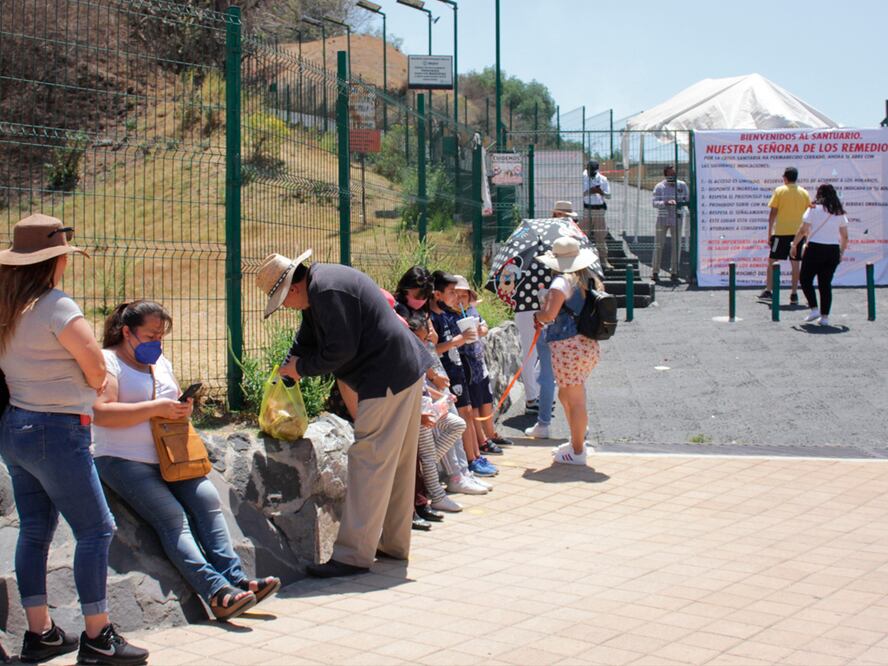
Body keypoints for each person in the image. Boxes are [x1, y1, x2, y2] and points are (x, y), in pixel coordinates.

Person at [0, 214, 148, 665]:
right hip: (58, 430)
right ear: (54, 260)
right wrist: (92, 382)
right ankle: (98, 635)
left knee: (35, 530)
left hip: (16, 426)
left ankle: (40, 633)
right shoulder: (57, 306)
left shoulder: (7, 307)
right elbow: (97, 367)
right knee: (96, 528)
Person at [92, 300, 280, 621]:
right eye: (151, 335)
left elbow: (172, 399)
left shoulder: (160, 361)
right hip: (122, 459)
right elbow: (102, 412)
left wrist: (182, 408)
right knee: (172, 517)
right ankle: (216, 592)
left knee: (207, 499)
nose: (157, 342)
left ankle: (235, 580)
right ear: (126, 332)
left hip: (172, 457)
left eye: (161, 336)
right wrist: (156, 409)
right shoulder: (109, 362)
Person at [257, 252, 431, 577]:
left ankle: (353, 556)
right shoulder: (321, 285)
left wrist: (302, 368)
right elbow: (308, 338)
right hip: (403, 370)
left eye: (282, 301)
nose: (286, 307)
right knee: (398, 463)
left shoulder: (326, 291)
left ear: (293, 288)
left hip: (387, 377)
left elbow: (340, 350)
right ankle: (393, 544)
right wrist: (292, 361)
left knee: (369, 461)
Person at [533, 237, 603, 466]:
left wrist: (539, 313)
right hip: (587, 344)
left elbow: (549, 316)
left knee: (574, 399)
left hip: (567, 347)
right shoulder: (588, 279)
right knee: (566, 395)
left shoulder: (560, 283)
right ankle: (576, 439)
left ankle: (577, 450)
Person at [429, 271, 497, 478]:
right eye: (451, 292)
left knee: (467, 412)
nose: (455, 298)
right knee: (461, 416)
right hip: (445, 374)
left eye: (459, 293)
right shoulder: (434, 318)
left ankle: (475, 457)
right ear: (437, 294)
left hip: (459, 370)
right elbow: (432, 350)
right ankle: (466, 464)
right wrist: (459, 340)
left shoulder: (447, 316)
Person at [453, 275, 512, 452]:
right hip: (466, 363)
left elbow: (484, 329)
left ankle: (491, 433)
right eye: (455, 295)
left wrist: (481, 330)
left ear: (470, 298)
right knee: (475, 403)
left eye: (463, 296)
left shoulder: (472, 311)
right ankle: (482, 440)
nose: (459, 300)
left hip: (479, 362)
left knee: (486, 398)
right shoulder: (450, 316)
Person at [790, 184, 849, 326]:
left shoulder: (813, 208)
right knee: (825, 284)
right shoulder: (839, 212)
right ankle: (825, 317)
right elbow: (845, 237)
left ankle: (814, 308)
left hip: (815, 248)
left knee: (805, 279)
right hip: (832, 250)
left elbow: (803, 229)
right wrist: (841, 252)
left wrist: (794, 244)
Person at [760, 166, 811, 302]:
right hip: (798, 234)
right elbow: (808, 215)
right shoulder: (804, 192)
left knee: (772, 261)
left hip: (781, 232)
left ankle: (769, 290)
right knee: (796, 263)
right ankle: (794, 293)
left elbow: (773, 213)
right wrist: (807, 234)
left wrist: (769, 232)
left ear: (785, 178)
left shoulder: (779, 191)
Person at [651, 166, 690, 282]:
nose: (672, 177)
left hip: (677, 218)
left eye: (674, 174)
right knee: (658, 245)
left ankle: (674, 271)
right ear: (665, 175)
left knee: (676, 246)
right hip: (662, 218)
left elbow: (687, 200)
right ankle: (655, 271)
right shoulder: (660, 186)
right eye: (670, 175)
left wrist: (680, 203)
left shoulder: (682, 185)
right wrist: (665, 202)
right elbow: (654, 203)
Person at [583, 161, 612, 271]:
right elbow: (578, 193)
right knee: (583, 236)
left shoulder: (603, 179)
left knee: (600, 237)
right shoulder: (582, 177)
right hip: (585, 209)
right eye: (590, 171)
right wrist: (590, 191)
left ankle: (604, 261)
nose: (592, 173)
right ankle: (583, 261)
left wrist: (601, 192)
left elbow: (609, 195)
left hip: (599, 209)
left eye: (594, 171)